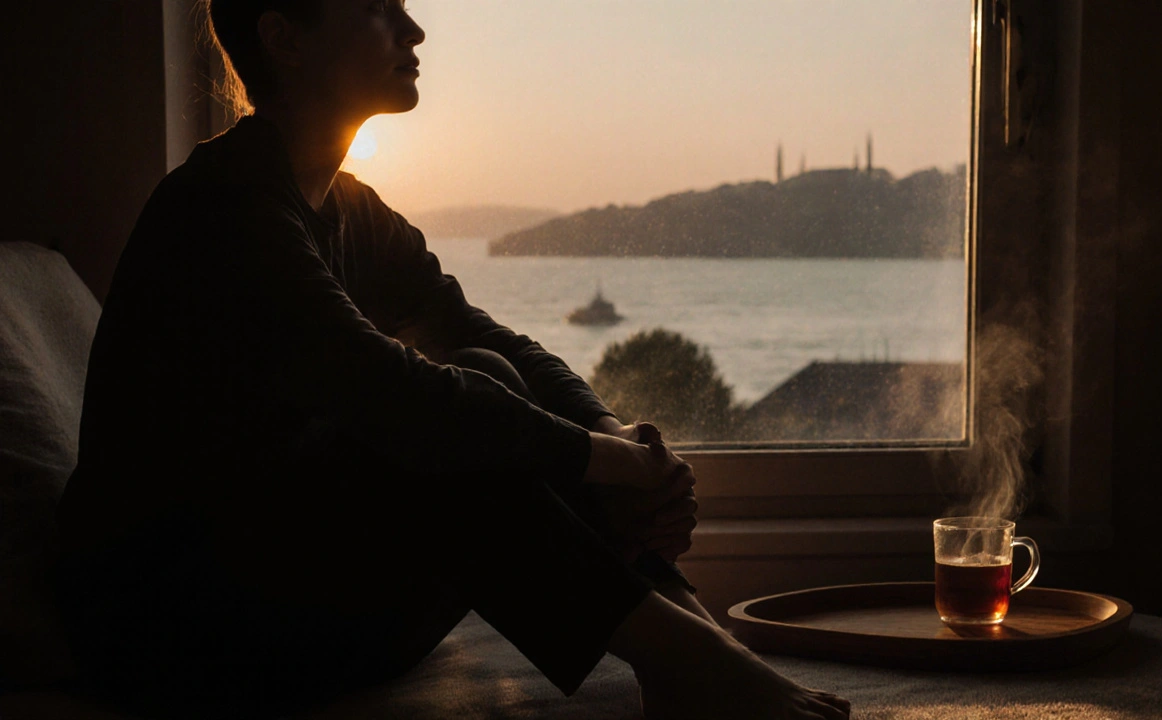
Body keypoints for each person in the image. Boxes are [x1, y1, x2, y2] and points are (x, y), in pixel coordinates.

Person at [52, 1, 853, 718]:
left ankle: (695, 646)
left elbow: (489, 339)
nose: (415, 29)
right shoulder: (223, 210)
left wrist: (617, 438)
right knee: (436, 424)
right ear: (283, 37)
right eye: (378, 7)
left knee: (490, 380)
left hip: (295, 597)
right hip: (175, 633)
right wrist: (606, 462)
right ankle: (692, 657)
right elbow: (393, 396)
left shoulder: (352, 209)